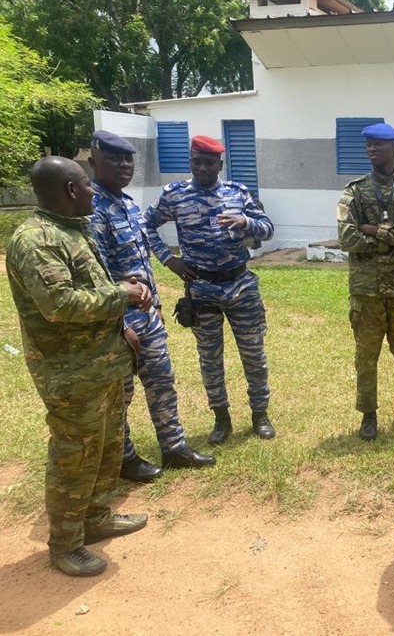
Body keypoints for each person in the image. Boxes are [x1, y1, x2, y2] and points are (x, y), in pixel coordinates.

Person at [5, 156, 151, 576]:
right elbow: (61, 304)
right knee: (75, 455)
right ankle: (66, 543)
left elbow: (91, 290)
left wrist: (120, 327)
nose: (93, 191)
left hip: (101, 364)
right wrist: (122, 294)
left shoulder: (72, 231)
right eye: (87, 185)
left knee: (106, 446)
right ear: (71, 190)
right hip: (69, 374)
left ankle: (97, 517)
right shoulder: (36, 240)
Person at [89, 131, 216, 482]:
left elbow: (140, 262)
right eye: (115, 159)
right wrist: (118, 319)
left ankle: (174, 447)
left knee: (162, 382)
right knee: (121, 394)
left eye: (128, 159)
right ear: (93, 162)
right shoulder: (91, 210)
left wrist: (156, 305)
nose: (124, 165)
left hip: (147, 316)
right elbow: (95, 276)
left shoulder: (128, 205)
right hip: (117, 321)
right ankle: (125, 458)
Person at [145, 135, 275, 444]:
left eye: (209, 163)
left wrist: (245, 221)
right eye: (196, 162)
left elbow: (268, 229)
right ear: (190, 162)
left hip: (240, 286)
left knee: (254, 354)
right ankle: (221, 417)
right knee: (210, 358)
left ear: (220, 164)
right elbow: (145, 225)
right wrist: (167, 259)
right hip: (202, 289)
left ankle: (260, 414)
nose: (202, 168)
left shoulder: (237, 193)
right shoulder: (174, 195)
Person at [336, 123, 394, 441]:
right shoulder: (354, 191)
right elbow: (347, 237)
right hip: (366, 289)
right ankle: (369, 414)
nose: (371, 149)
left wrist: (373, 230)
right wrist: (393, 236)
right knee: (366, 355)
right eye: (368, 145)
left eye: (378, 144)